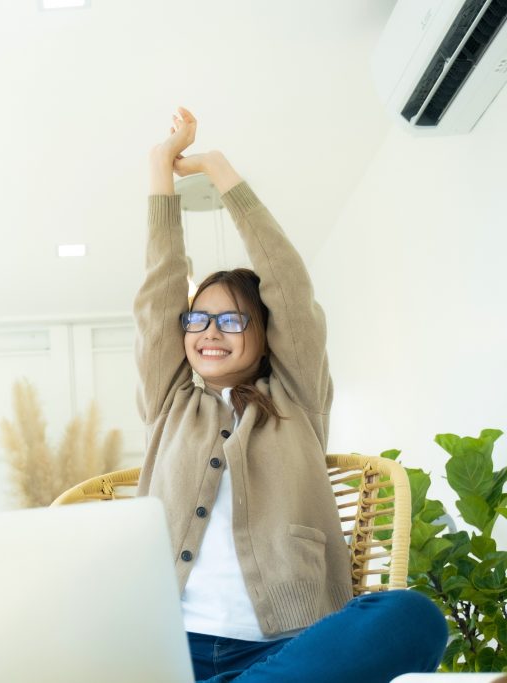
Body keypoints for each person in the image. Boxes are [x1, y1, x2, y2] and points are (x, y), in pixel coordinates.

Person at [134, 107, 447, 683]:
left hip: (285, 652)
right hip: (166, 651)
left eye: (232, 321)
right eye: (198, 319)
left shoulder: (295, 397)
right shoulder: (169, 401)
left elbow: (290, 287)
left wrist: (219, 170)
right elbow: (158, 290)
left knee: (412, 617)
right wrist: (159, 169)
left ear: (267, 333)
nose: (208, 332)